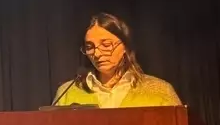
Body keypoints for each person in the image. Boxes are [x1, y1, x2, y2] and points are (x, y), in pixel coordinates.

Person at [53, 13, 181, 108]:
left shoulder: (160, 91)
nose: (97, 54)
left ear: (125, 46)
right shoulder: (68, 92)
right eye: (89, 47)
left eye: (106, 45)